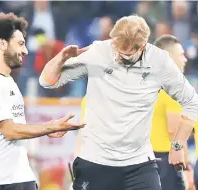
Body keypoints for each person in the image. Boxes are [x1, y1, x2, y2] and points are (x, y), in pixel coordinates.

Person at [39, 15, 198, 190]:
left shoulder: (159, 61)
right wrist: (60, 58)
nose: (119, 57)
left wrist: (177, 145)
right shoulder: (98, 52)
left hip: (139, 163)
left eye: (126, 55)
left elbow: (192, 102)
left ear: (143, 47)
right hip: (96, 160)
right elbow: (47, 81)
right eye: (117, 51)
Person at [0, 12, 84, 190]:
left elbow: (15, 126)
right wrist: (50, 127)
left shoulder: (9, 81)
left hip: (20, 178)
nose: (26, 51)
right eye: (20, 44)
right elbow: (10, 131)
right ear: (2, 43)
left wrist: (43, 131)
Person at [152, 35, 197, 190]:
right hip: (168, 159)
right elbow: (174, 131)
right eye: (181, 55)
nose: (185, 59)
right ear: (169, 57)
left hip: (146, 158)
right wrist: (187, 167)